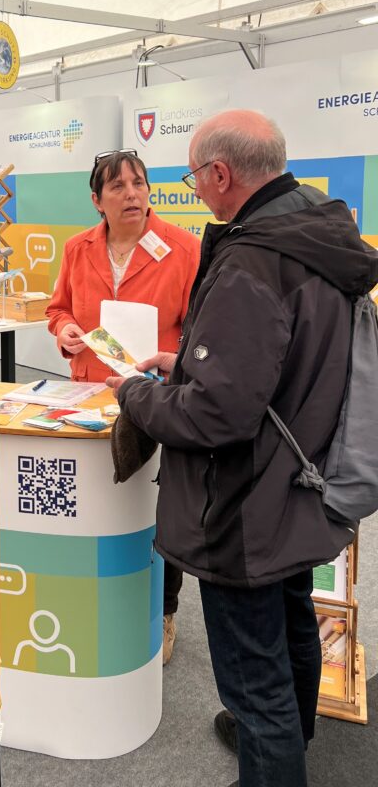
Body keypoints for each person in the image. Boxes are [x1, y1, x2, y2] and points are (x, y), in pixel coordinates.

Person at [108, 111, 378, 787]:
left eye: (193, 177)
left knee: (255, 685)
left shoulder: (250, 260)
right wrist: (188, 364)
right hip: (301, 483)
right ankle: (292, 746)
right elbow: (276, 364)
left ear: (221, 173)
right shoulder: (315, 228)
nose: (194, 189)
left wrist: (135, 394)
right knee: (291, 627)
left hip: (244, 505)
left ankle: (277, 757)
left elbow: (213, 417)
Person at [46, 149, 200, 663]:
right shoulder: (77, 248)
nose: (132, 194)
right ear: (98, 200)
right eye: (118, 186)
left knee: (161, 510)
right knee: (98, 501)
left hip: (158, 399)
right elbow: (58, 308)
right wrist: (65, 330)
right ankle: (96, 597)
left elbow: (201, 327)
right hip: (91, 396)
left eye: (139, 183)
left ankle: (165, 610)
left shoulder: (184, 248)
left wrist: (177, 365)